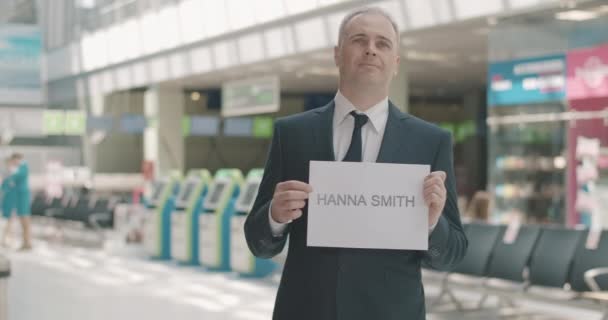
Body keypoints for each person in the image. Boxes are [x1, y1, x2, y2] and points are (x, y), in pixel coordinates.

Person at [244, 7, 468, 320]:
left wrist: (431, 223)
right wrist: (274, 216)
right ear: (337, 54)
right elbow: (259, 242)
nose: (370, 49)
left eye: (383, 43)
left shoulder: (430, 141)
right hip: (306, 309)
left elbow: (453, 253)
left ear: (395, 63)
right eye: (359, 40)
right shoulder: (292, 133)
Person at [7, 153, 32, 250]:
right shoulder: (20, 168)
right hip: (20, 196)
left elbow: (15, 177)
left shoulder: (23, 167)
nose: (13, 163)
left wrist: (11, 171)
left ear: (17, 159)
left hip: (23, 196)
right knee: (22, 220)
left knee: (25, 220)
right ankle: (25, 242)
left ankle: (27, 243)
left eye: (14, 161)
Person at [1, 157, 16, 247]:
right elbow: (4, 187)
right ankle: (6, 239)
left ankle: (7, 238)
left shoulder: (12, 173)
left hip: (10, 198)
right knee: (9, 220)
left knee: (10, 220)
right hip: (7, 199)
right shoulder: (7, 174)